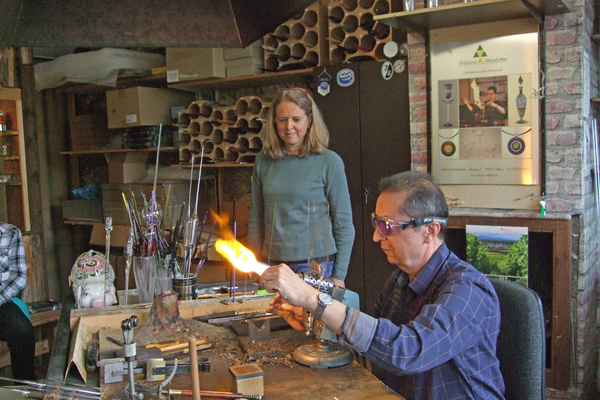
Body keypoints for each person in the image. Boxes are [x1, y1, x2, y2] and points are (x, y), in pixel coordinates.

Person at [260, 171, 505, 399]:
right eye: (376, 223)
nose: (377, 236)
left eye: (388, 226)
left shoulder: (468, 290)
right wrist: (314, 319)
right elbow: (377, 349)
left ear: (430, 230)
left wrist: (313, 298)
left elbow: (407, 352)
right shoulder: (400, 280)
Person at [248, 87, 354, 287]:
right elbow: (256, 217)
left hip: (316, 266)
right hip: (273, 264)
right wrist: (254, 265)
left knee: (308, 319)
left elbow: (344, 223)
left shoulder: (329, 162)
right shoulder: (263, 161)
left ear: (310, 120)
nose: (289, 126)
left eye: (296, 119)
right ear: (274, 122)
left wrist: (339, 276)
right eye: (282, 119)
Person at [0, 222, 36, 380]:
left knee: (22, 332)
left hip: (3, 300)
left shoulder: (9, 233)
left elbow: (20, 277)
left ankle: (25, 385)